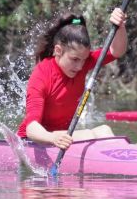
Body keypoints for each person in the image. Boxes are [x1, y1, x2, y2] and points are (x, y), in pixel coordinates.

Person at [17, 8, 127, 149]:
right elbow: (31, 128)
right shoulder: (41, 75)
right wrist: (52, 138)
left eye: (84, 59)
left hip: (64, 138)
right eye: (74, 59)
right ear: (58, 51)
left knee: (104, 130)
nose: (80, 66)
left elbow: (116, 51)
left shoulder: (82, 62)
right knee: (96, 133)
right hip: (35, 141)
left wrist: (120, 27)